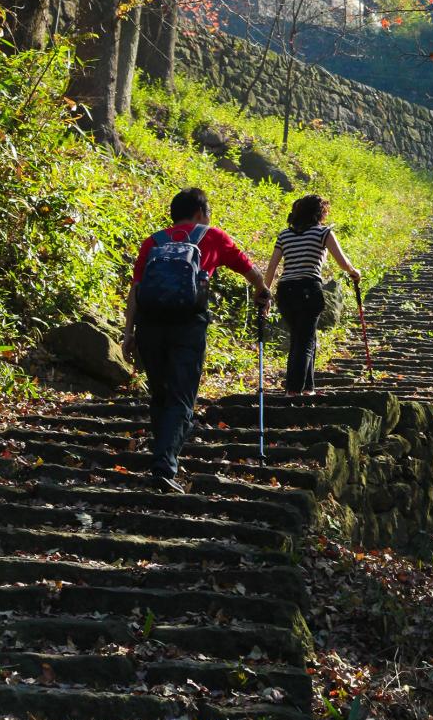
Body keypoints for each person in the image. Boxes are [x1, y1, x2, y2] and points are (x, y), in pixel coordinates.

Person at [123, 187, 270, 493]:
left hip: (150, 325)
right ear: (201, 212)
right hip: (187, 325)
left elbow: (136, 290)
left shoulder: (154, 241)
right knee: (182, 396)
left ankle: (164, 456)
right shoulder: (212, 236)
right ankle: (164, 465)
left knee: (161, 395)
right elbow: (249, 269)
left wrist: (128, 333)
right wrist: (262, 291)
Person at [261, 194, 361, 396]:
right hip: (308, 288)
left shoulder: (284, 235)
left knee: (301, 338)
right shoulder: (324, 233)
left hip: (286, 290)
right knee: (305, 340)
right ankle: (294, 390)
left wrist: (265, 294)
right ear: (319, 213)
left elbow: (272, 267)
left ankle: (307, 388)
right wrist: (354, 272)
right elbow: (342, 262)